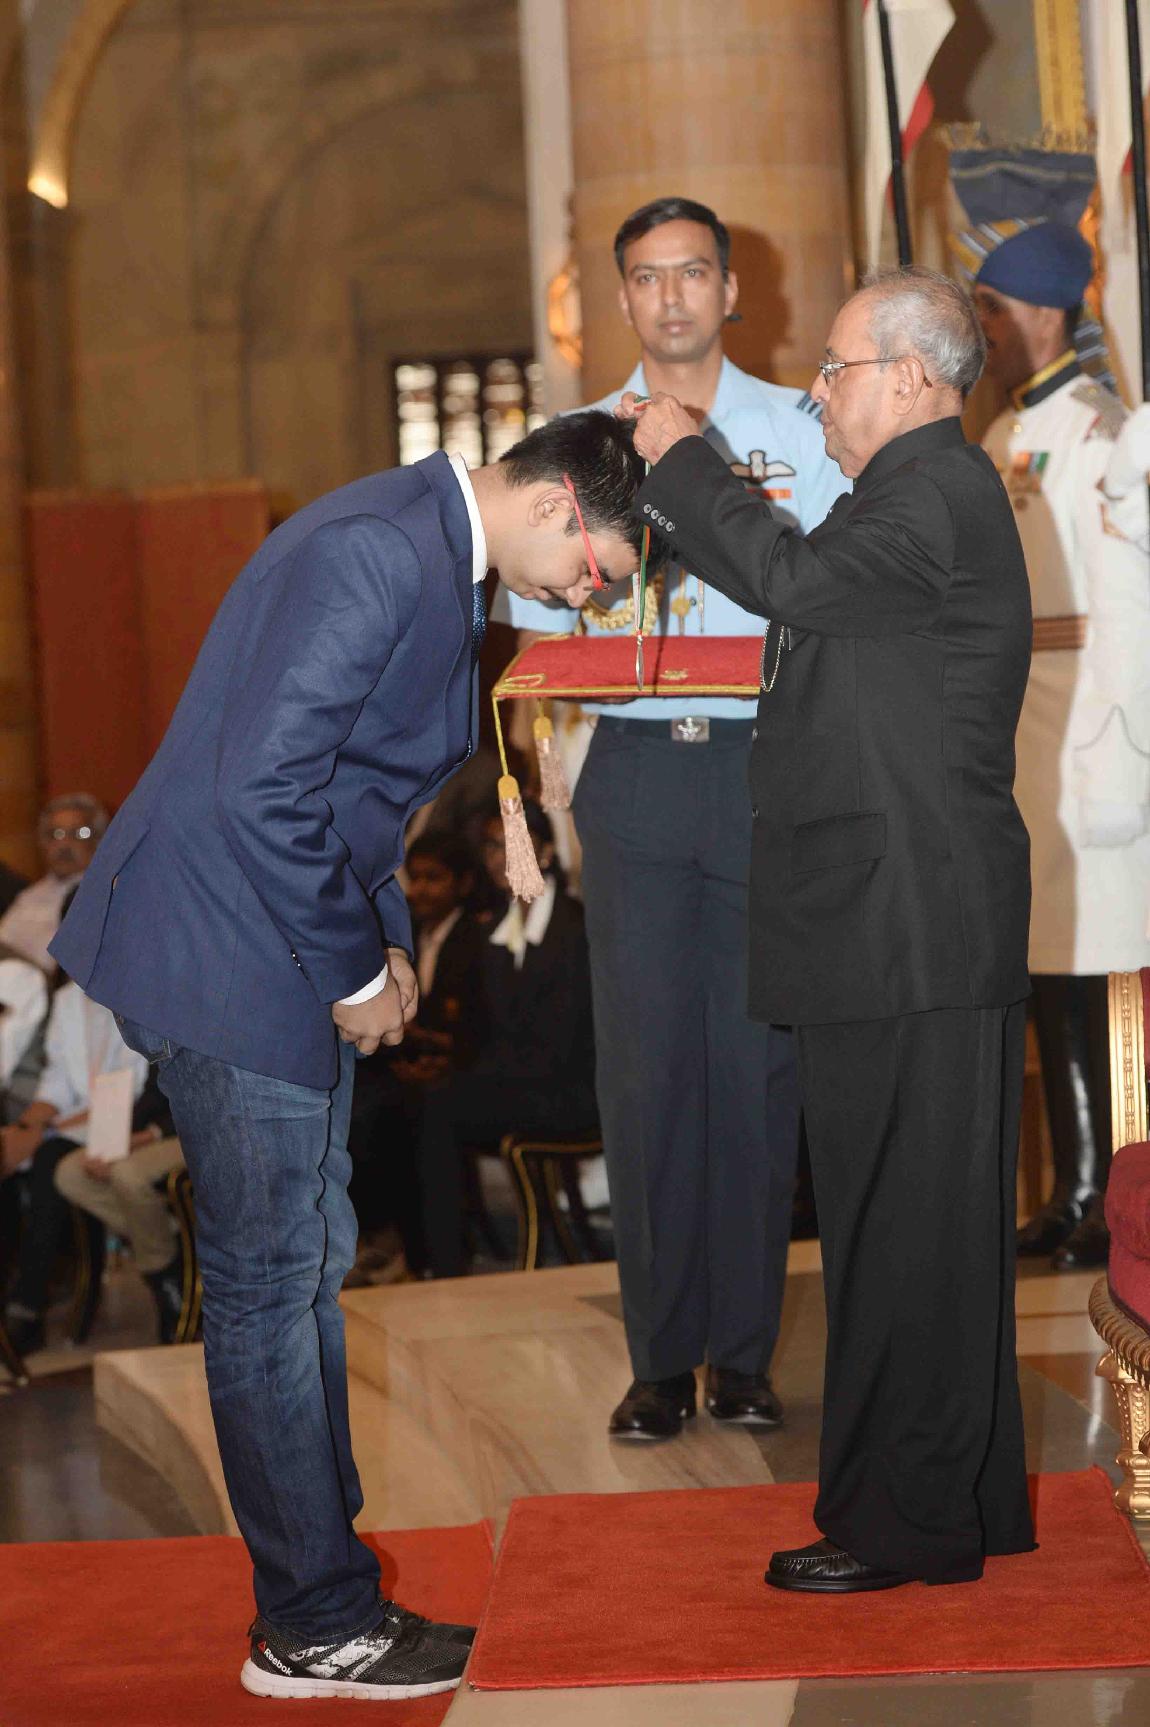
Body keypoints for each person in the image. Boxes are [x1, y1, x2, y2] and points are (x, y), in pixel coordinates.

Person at [50, 411, 647, 1704]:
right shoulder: (382, 549)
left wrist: (381, 940)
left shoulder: (418, 541)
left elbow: (339, 793)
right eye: (593, 569)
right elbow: (261, 790)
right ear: (557, 504)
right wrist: (356, 971)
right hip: (225, 947)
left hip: (257, 935)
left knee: (296, 1270)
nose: (583, 596)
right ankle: (313, 1622)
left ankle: (321, 1593)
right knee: (273, 1284)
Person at [621, 264, 1035, 1592]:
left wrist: (684, 460)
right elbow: (809, 603)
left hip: (908, 918)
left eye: (835, 368)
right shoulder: (914, 493)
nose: (816, 393)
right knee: (909, 1226)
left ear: (909, 379)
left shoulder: (932, 493)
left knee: (902, 1234)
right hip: (891, 916)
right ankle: (955, 1498)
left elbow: (787, 579)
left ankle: (899, 1521)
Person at [503, 196, 848, 1441]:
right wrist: (546, 770)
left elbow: (834, 590)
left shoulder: (800, 428)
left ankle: (741, 1354)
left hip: (762, 765)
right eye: (646, 277)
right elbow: (536, 620)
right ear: (622, 298)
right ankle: (658, 1358)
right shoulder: (575, 442)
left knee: (756, 1064)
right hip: (638, 769)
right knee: (646, 1068)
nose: (671, 297)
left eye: (692, 272)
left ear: (729, 288)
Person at [972, 222, 1150, 1270]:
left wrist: (1121, 748)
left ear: (1042, 311)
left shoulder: (1099, 433)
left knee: (1100, 968)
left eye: (992, 309)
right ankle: (1071, 1180)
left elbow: (1129, 608)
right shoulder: (1001, 431)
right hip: (1022, 727)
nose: (984, 330)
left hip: (1089, 727)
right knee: (1044, 962)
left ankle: (1114, 1190)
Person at [418, 799, 598, 1277]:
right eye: (492, 846)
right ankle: (430, 1258)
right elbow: (485, 1031)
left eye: (515, 843)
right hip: (518, 1083)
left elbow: (562, 1045)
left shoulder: (575, 927)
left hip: (572, 1091)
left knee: (438, 1106)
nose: (500, 857)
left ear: (545, 852)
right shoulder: (494, 927)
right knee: (414, 1099)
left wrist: (468, 1073)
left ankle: (444, 1266)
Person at [1, 978, 175, 1354]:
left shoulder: (140, 990)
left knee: (49, 1161)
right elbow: (58, 1083)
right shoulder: (68, 999)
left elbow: (138, 1089)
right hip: (79, 1121)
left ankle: (28, 1304)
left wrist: (44, 1130)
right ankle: (25, 1301)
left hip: (129, 1119)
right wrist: (27, 1127)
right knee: (27, 1160)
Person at [347, 832, 486, 1284]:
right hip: (409, 1063)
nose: (421, 889)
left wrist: (438, 1056)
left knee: (394, 1112)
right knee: (355, 1102)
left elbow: (482, 1025)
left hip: (458, 1069)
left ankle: (420, 1249)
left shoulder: (476, 937)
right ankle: (378, 1235)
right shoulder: (410, 936)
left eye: (434, 878)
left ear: (463, 882)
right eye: (416, 878)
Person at [0, 795, 107, 973]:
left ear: (99, 839)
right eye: (55, 834)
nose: (64, 844)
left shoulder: (109, 896)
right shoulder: (29, 897)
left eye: (78, 833)